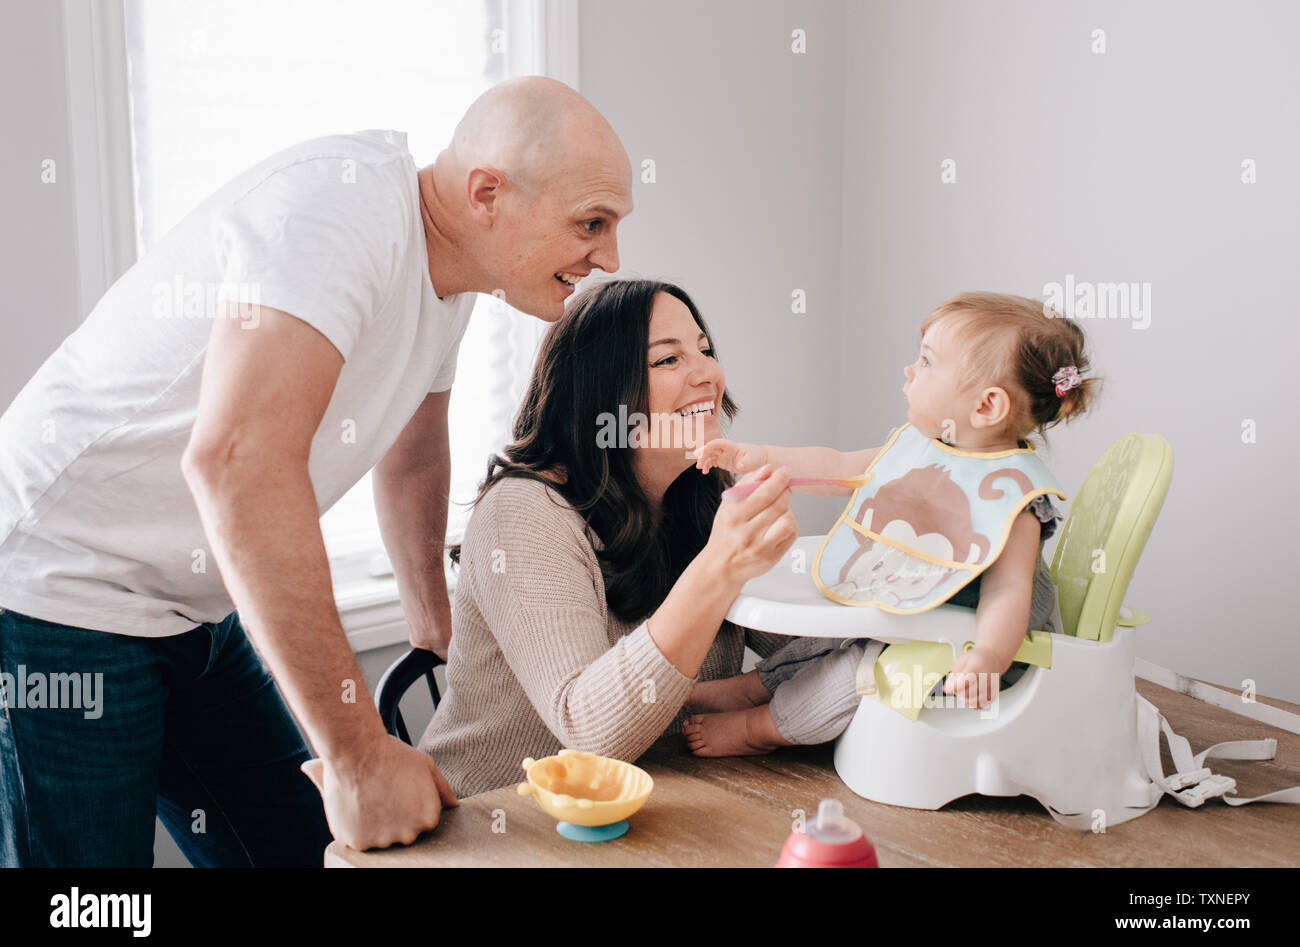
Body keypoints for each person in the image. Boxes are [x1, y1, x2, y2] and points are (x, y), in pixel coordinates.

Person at [0, 76, 633, 865]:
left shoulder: (454, 275)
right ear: (487, 194)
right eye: (592, 223)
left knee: (308, 854)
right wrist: (360, 756)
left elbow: (413, 451)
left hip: (191, 605)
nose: (609, 256)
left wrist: (434, 624)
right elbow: (237, 463)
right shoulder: (341, 216)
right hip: (58, 590)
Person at [417, 279, 798, 796]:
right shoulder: (524, 512)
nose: (708, 372)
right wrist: (718, 569)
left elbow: (813, 648)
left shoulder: (705, 494)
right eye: (668, 360)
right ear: (600, 394)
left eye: (704, 350)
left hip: (650, 807)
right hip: (492, 828)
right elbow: (591, 734)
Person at [682, 291, 1100, 756]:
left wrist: (989, 657)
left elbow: (1009, 593)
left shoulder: (1014, 499)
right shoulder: (920, 448)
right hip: (914, 615)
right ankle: (750, 686)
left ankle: (757, 729)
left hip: (961, 649)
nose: (909, 370)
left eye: (926, 361)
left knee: (850, 672)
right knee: (838, 633)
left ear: (986, 407)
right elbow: (841, 467)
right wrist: (755, 456)